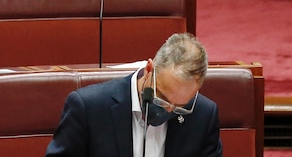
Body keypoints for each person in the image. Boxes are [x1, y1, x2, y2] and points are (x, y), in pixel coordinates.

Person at [46, 33, 223, 157]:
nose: (168, 109)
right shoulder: (89, 108)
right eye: (162, 97)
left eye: (179, 107)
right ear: (148, 70)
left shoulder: (203, 115)